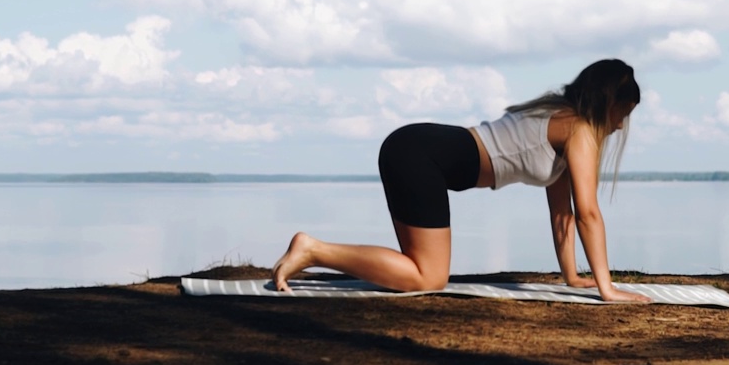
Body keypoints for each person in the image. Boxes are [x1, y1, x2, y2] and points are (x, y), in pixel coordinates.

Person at [271, 58, 652, 304]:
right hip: (421, 154)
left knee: (421, 270)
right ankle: (313, 250)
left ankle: (314, 251)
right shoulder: (579, 127)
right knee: (429, 277)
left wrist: (572, 277)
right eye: (622, 113)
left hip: (418, 150)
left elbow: (563, 214)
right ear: (607, 103)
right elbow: (588, 213)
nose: (619, 125)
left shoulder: (562, 121)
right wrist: (608, 290)